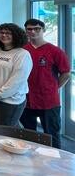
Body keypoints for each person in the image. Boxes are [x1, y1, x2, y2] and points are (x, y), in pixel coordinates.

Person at [21, 19, 70, 149]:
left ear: (43, 30)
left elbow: (66, 74)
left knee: (52, 136)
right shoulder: (22, 50)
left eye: (37, 29)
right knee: (28, 135)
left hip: (49, 101)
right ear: (26, 31)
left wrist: (54, 88)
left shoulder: (55, 51)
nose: (33, 32)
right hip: (26, 99)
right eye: (29, 29)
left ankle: (56, 160)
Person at [0, 23, 33, 127]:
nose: (4, 35)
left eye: (8, 33)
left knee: (4, 131)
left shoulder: (22, 54)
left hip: (10, 100)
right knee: (0, 127)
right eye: (2, 32)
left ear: (16, 35)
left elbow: (16, 81)